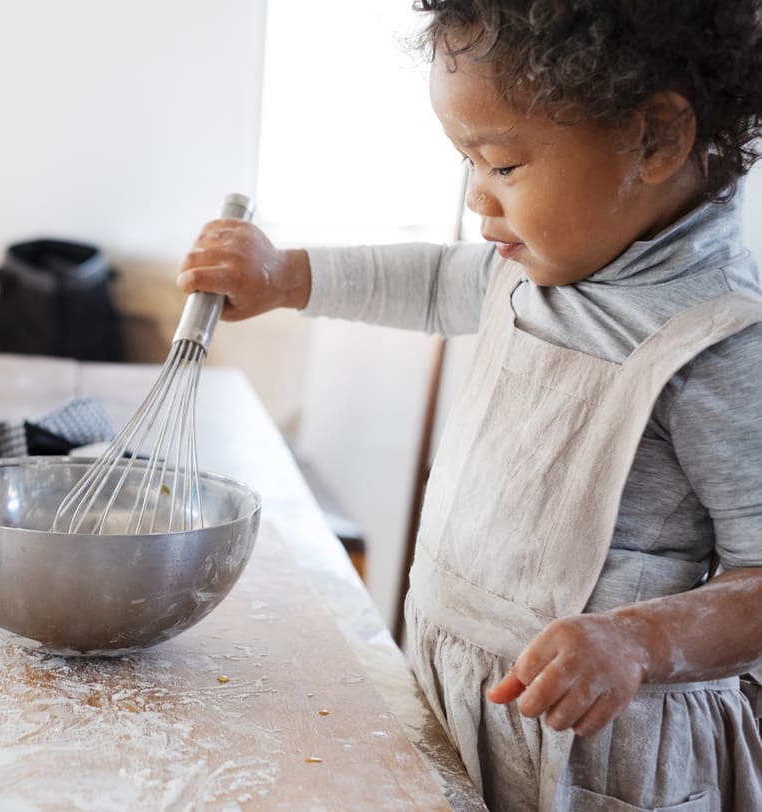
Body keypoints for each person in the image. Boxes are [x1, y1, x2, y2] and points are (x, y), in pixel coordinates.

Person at [178, 1, 762, 809]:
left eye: (502, 165)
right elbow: (430, 280)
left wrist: (637, 641)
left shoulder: (722, 340)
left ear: (654, 137)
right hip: (458, 695)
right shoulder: (530, 267)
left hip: (604, 754)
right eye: (467, 162)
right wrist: (284, 275)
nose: (477, 201)